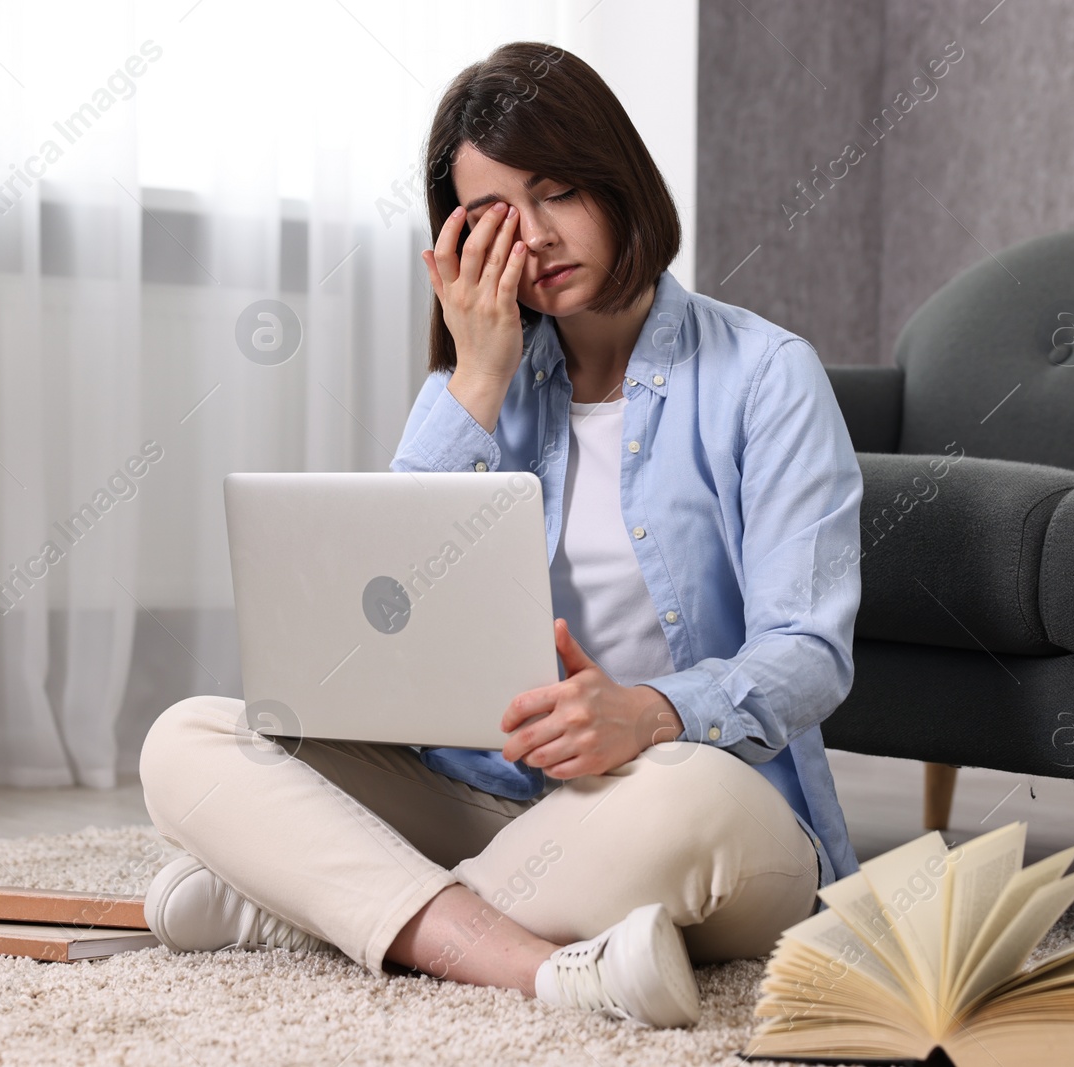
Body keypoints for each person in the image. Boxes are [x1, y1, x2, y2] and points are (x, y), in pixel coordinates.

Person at [139, 40, 864, 1030]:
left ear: (620, 185)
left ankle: (331, 904)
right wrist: (471, 381)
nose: (533, 238)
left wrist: (647, 712)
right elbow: (381, 620)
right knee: (187, 738)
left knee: (682, 804)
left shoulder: (765, 375)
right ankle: (532, 962)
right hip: (491, 799)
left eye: (558, 192)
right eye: (490, 219)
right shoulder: (483, 389)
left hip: (683, 798)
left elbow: (809, 655)